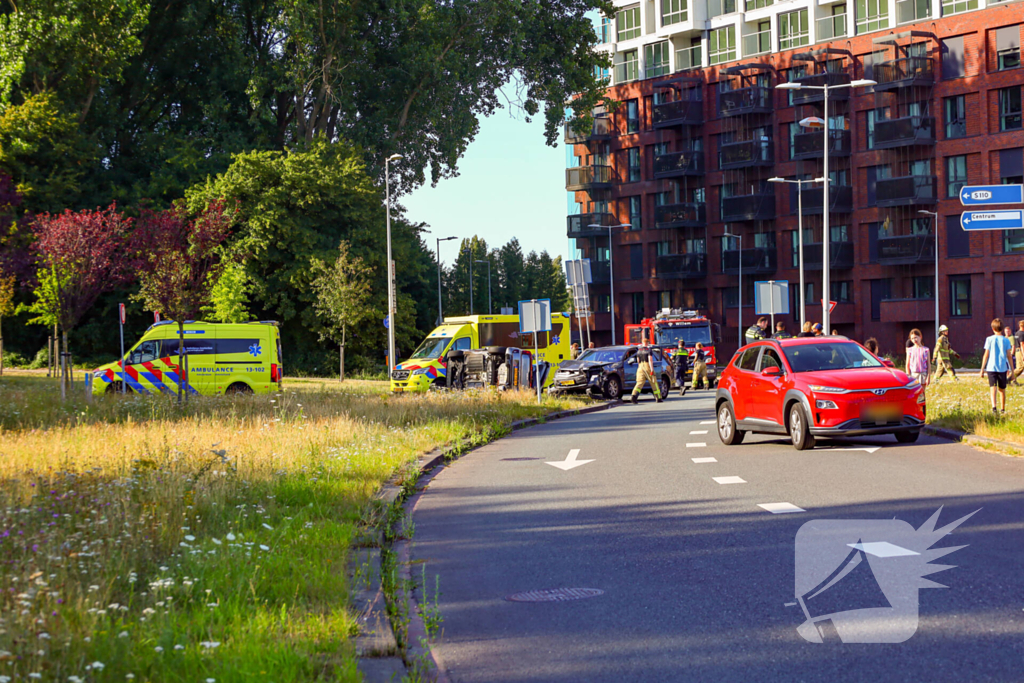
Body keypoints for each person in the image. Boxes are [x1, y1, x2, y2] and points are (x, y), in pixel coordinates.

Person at [980, 318, 1013, 414]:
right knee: (1002, 389)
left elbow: (986, 354)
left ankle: (994, 408)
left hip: (991, 367)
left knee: (992, 388)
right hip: (1002, 367)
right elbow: (1009, 356)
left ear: (992, 328)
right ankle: (1003, 409)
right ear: (1002, 329)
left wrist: (982, 369)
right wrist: (1011, 370)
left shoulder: (989, 339)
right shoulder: (1006, 340)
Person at [630, 332, 663, 404]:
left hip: (640, 367)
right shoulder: (649, 350)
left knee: (639, 383)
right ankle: (658, 398)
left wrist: (640, 367)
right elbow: (650, 360)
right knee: (654, 382)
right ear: (647, 343)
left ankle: (634, 396)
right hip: (647, 365)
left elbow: (638, 360)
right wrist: (652, 370)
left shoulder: (639, 350)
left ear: (642, 343)